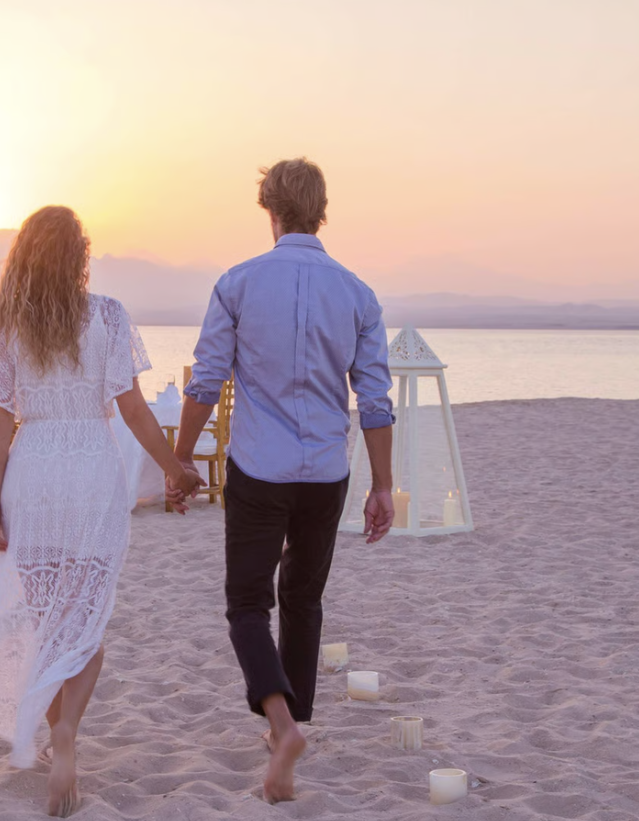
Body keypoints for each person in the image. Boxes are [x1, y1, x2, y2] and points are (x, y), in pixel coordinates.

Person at [0, 205, 203, 817]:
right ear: (80, 256)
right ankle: (67, 733)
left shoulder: (3, 321)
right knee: (86, 618)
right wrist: (174, 468)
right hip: (92, 470)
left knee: (46, 621)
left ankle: (56, 729)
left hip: (34, 468)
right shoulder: (109, 316)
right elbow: (133, 409)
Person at [167, 157, 396, 803]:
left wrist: (181, 461)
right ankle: (290, 729)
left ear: (268, 207)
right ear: (320, 210)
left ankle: (281, 722)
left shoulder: (238, 283)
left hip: (259, 468)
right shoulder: (356, 292)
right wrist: (382, 484)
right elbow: (374, 401)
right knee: (303, 597)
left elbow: (206, 381)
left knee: (247, 603)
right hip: (326, 469)